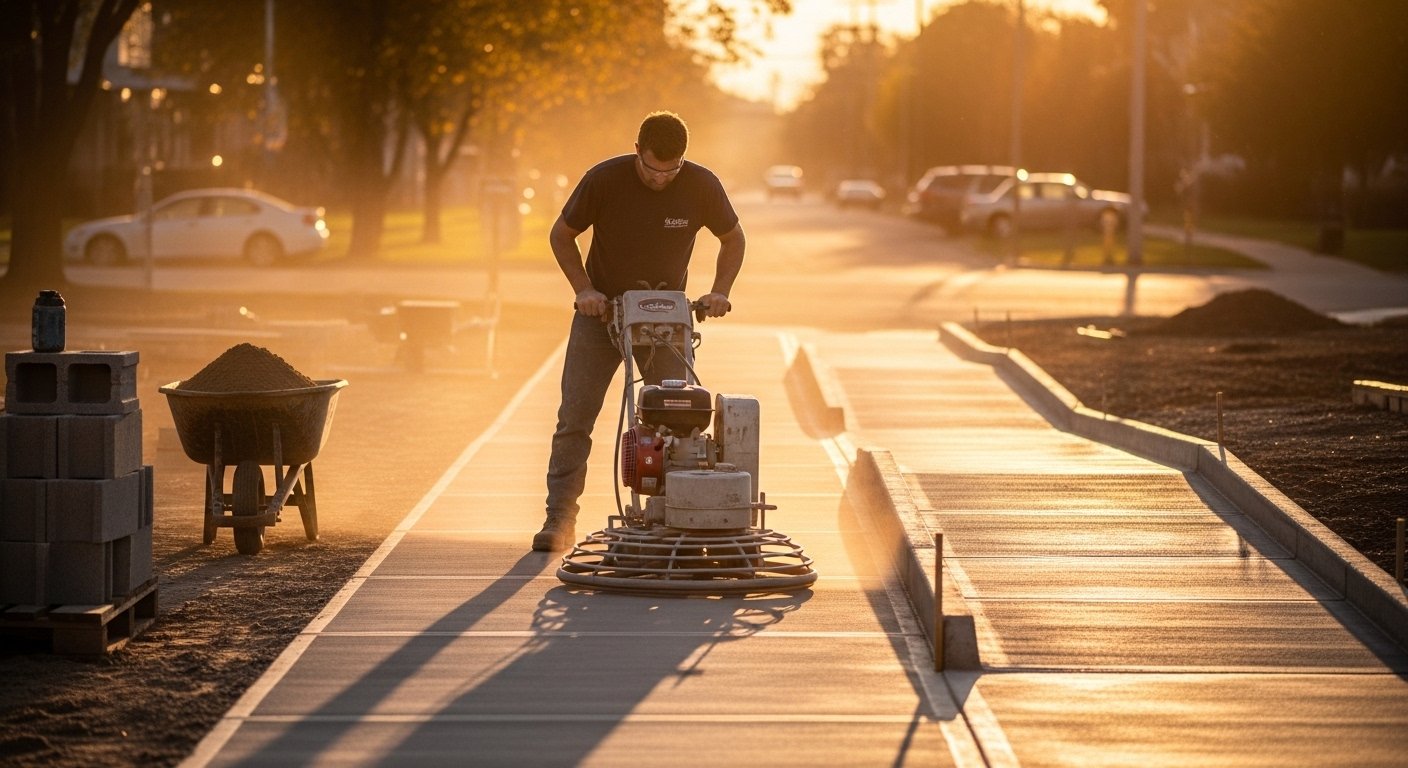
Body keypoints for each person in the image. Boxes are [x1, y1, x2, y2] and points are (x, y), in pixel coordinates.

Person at [533, 110, 745, 552]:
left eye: (671, 170)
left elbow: (733, 238)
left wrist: (719, 291)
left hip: (668, 322)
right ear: (637, 152)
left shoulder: (702, 184)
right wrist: (584, 290)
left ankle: (675, 512)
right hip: (601, 314)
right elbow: (561, 234)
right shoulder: (604, 180)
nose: (661, 179)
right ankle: (559, 518)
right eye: (652, 169)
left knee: (681, 420)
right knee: (575, 417)